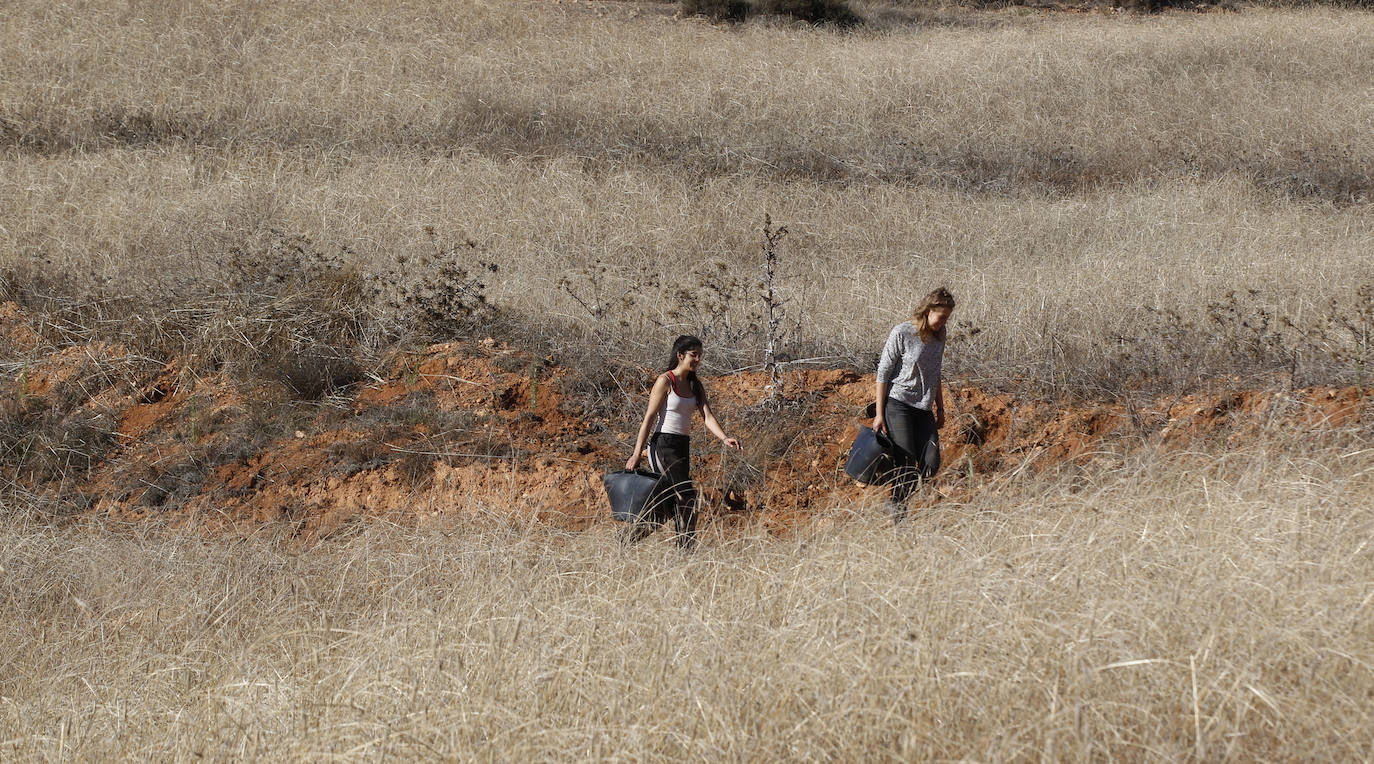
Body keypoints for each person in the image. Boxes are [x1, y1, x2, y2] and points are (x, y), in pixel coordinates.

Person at [623, 335, 742, 547]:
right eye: (693, 355)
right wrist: (636, 453)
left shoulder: (696, 385)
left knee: (668, 504)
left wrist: (724, 438)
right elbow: (649, 418)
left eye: (700, 356)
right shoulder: (665, 380)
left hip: (682, 447)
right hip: (663, 446)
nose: (697, 360)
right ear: (680, 355)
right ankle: (686, 550)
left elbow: (707, 416)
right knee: (686, 496)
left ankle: (627, 541)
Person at [872, 287, 955, 521]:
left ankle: (897, 502)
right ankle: (899, 514)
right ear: (928, 311)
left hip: (924, 407)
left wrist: (940, 407)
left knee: (931, 463)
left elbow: (936, 372)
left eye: (948, 318)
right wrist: (879, 414)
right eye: (942, 317)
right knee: (906, 462)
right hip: (898, 404)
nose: (944, 322)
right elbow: (883, 374)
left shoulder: (941, 334)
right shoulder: (902, 333)